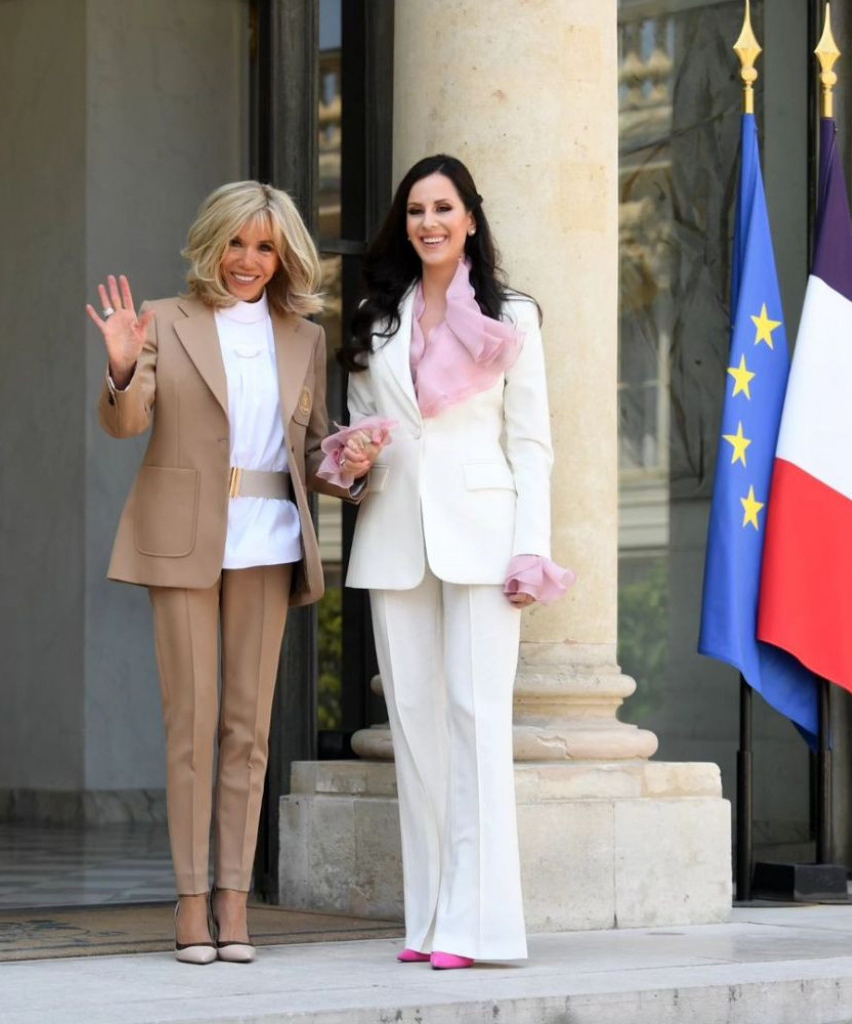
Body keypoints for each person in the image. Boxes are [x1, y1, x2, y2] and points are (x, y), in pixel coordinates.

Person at [87, 181, 369, 965]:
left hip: (269, 540)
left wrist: (353, 463)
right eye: (237, 243)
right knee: (192, 723)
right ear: (211, 243)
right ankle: (189, 904)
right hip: (184, 542)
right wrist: (121, 368)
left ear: (284, 257)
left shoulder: (303, 336)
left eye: (265, 247)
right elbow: (127, 423)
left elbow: (312, 451)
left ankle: (235, 905)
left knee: (249, 731)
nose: (249, 260)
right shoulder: (164, 320)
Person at [337, 154, 574, 969]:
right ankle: (430, 921)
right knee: (414, 731)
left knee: (477, 724)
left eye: (443, 208)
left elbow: (531, 443)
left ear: (471, 217)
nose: (429, 222)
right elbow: (362, 433)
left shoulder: (514, 315)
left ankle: (483, 929)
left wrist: (532, 548)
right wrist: (352, 459)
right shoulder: (377, 317)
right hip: (395, 533)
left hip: (484, 534)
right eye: (416, 210)